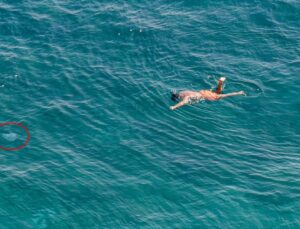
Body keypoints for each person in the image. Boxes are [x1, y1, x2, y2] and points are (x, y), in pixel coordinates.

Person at [170, 77, 245, 110]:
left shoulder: (187, 96)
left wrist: (174, 107)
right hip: (203, 92)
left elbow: (183, 102)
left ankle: (237, 92)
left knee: (220, 94)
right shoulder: (184, 92)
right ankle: (220, 83)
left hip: (204, 95)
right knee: (218, 92)